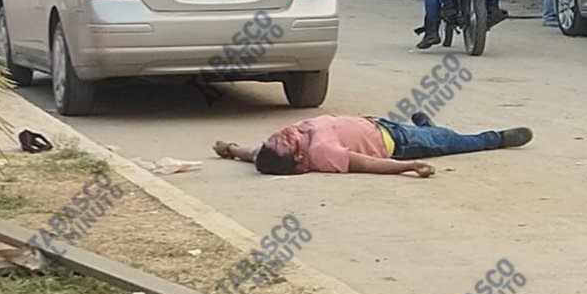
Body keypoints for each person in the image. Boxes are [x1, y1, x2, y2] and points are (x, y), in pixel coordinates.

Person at [214, 113, 533, 176]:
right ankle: (497, 138)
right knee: (453, 141)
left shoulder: (272, 149)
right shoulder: (321, 154)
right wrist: (408, 167)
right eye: (286, 142)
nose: (284, 133)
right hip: (399, 144)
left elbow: (253, 154)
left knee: (437, 137)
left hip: (380, 124)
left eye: (277, 136)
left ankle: (428, 129)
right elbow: (367, 164)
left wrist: (231, 149)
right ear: (298, 159)